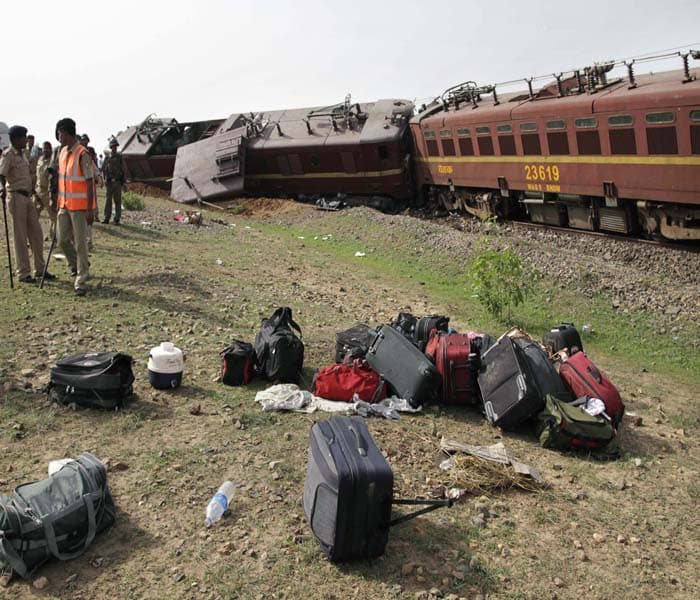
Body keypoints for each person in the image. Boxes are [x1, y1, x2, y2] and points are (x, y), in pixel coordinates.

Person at [0, 125, 55, 283]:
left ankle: (40, 269)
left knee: (36, 233)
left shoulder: (24, 155)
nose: (26, 140)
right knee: (20, 236)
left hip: (28, 196)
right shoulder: (8, 155)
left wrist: (35, 194)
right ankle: (23, 273)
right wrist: (2, 189)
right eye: (23, 137)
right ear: (16, 139)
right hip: (15, 197)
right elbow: (1, 175)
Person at [56, 118, 95, 296]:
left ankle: (81, 278)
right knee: (62, 240)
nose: (59, 137)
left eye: (61, 133)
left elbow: (89, 182)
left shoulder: (82, 154)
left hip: (79, 207)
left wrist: (90, 209)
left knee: (80, 244)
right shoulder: (62, 152)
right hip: (64, 206)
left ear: (69, 133)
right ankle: (77, 265)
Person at [102, 138, 126, 224]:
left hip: (117, 182)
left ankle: (116, 219)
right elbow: (104, 169)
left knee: (117, 201)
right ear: (111, 147)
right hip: (109, 182)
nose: (114, 148)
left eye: (115, 146)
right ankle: (106, 218)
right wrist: (104, 179)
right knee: (108, 201)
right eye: (113, 146)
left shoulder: (119, 157)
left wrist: (123, 182)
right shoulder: (107, 157)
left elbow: (123, 169)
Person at [34, 141, 56, 228]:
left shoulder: (53, 162)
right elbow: (37, 175)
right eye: (44, 149)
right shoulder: (40, 160)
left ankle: (54, 235)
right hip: (38, 191)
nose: (45, 150)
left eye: (47, 149)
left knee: (53, 216)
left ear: (51, 150)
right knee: (33, 214)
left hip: (48, 192)